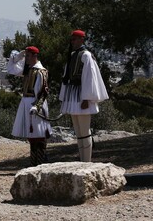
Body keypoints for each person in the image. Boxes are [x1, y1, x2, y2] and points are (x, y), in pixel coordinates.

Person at [59, 30, 109, 162]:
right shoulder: (73, 55)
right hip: (73, 94)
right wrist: (64, 96)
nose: (73, 41)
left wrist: (87, 98)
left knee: (85, 130)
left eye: (75, 39)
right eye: (72, 39)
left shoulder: (86, 55)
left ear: (82, 40)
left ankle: (87, 161)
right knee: (78, 131)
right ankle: (83, 160)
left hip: (81, 95)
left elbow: (89, 78)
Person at [7, 46, 52, 166]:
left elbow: (43, 92)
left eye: (27, 56)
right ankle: (34, 162)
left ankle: (41, 161)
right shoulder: (28, 69)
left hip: (35, 105)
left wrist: (36, 107)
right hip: (27, 104)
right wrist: (18, 56)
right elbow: (11, 69)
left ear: (34, 56)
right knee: (32, 137)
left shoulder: (41, 71)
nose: (26, 58)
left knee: (39, 136)